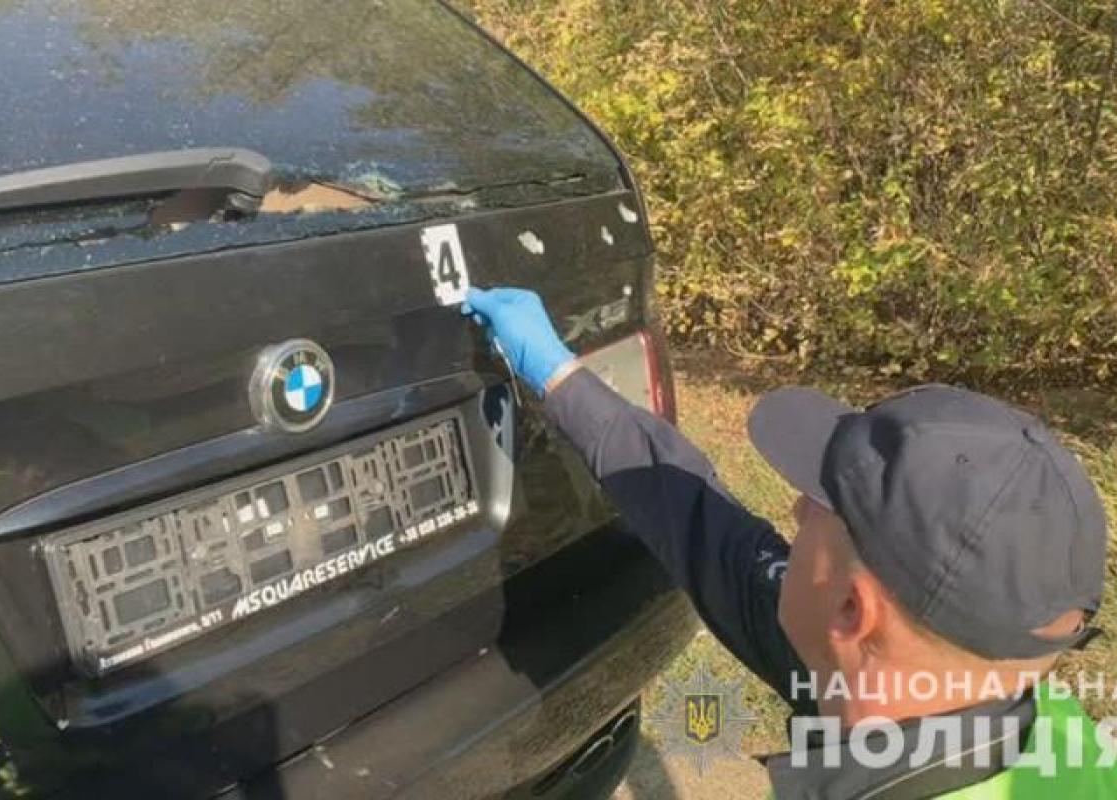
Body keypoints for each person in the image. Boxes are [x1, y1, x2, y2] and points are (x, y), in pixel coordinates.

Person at [462, 287, 1117, 798]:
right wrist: (559, 374)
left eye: (821, 507)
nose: (797, 508)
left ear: (853, 612)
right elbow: (714, 537)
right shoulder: (989, 705)